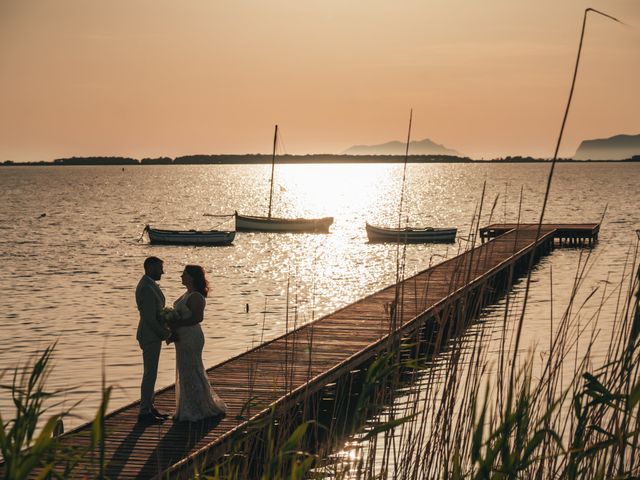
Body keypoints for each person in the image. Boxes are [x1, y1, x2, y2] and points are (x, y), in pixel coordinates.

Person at [169, 265, 227, 422]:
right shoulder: (187, 294)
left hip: (191, 336)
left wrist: (176, 322)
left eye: (184, 274)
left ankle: (200, 407)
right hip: (182, 337)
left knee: (192, 369)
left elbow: (197, 318)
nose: (181, 276)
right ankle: (188, 406)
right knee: (185, 369)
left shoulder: (196, 296)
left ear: (191, 277)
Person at [135, 256, 171, 425]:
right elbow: (150, 318)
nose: (162, 272)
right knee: (149, 373)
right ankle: (144, 412)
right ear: (150, 268)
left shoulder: (150, 285)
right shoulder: (146, 288)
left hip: (152, 334)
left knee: (152, 372)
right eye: (159, 268)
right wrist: (166, 334)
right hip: (150, 335)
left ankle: (150, 406)